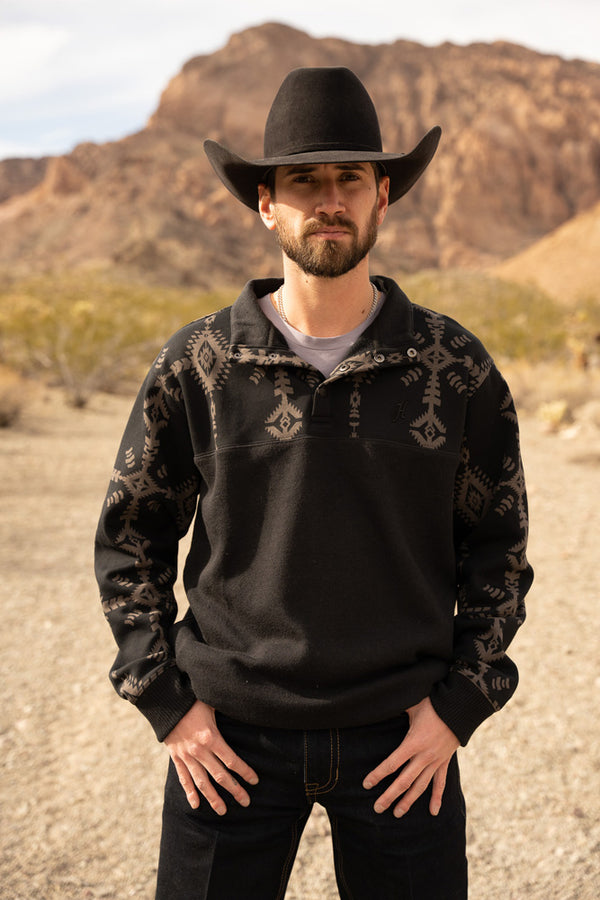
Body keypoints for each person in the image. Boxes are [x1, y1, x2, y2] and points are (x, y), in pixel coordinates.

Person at [95, 66, 533, 899]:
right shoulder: (198, 364)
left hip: (402, 746)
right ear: (266, 203)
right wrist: (168, 705)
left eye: (350, 180)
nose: (328, 199)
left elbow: (499, 553)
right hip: (227, 744)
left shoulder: (455, 367)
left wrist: (458, 709)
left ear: (382, 199)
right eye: (304, 179)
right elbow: (130, 537)